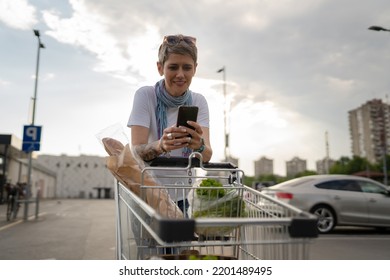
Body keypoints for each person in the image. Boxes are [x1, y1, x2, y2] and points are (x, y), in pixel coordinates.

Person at [127, 34, 213, 213]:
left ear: (195, 69)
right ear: (160, 68)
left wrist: (199, 146)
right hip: (147, 195)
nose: (180, 75)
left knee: (180, 242)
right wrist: (161, 145)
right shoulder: (146, 96)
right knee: (149, 243)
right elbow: (136, 151)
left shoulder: (199, 101)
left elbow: (207, 156)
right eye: (173, 67)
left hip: (181, 197)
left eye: (187, 68)